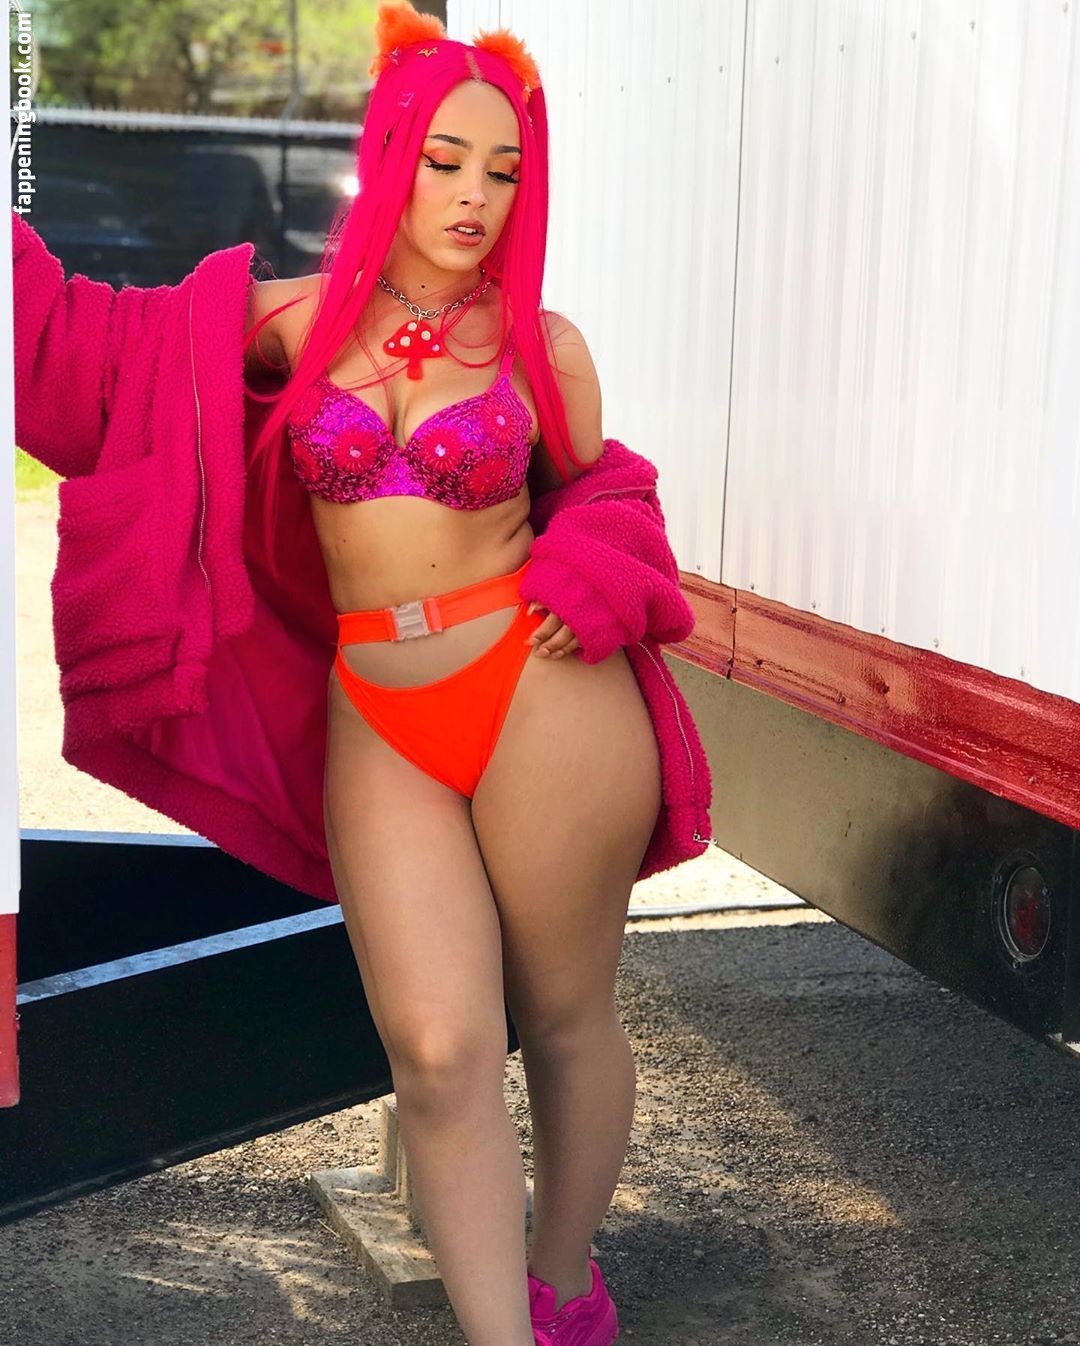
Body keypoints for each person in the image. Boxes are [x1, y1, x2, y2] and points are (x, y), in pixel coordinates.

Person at [11, 2, 712, 1343]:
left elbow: (609, 490)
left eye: (503, 170)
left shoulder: (544, 346)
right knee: (440, 1049)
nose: (474, 196)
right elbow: (94, 357)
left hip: (541, 692)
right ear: (393, 154)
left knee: (566, 1016)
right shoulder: (294, 324)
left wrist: (595, 566)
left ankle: (565, 1281)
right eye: (446, 161)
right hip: (378, 715)